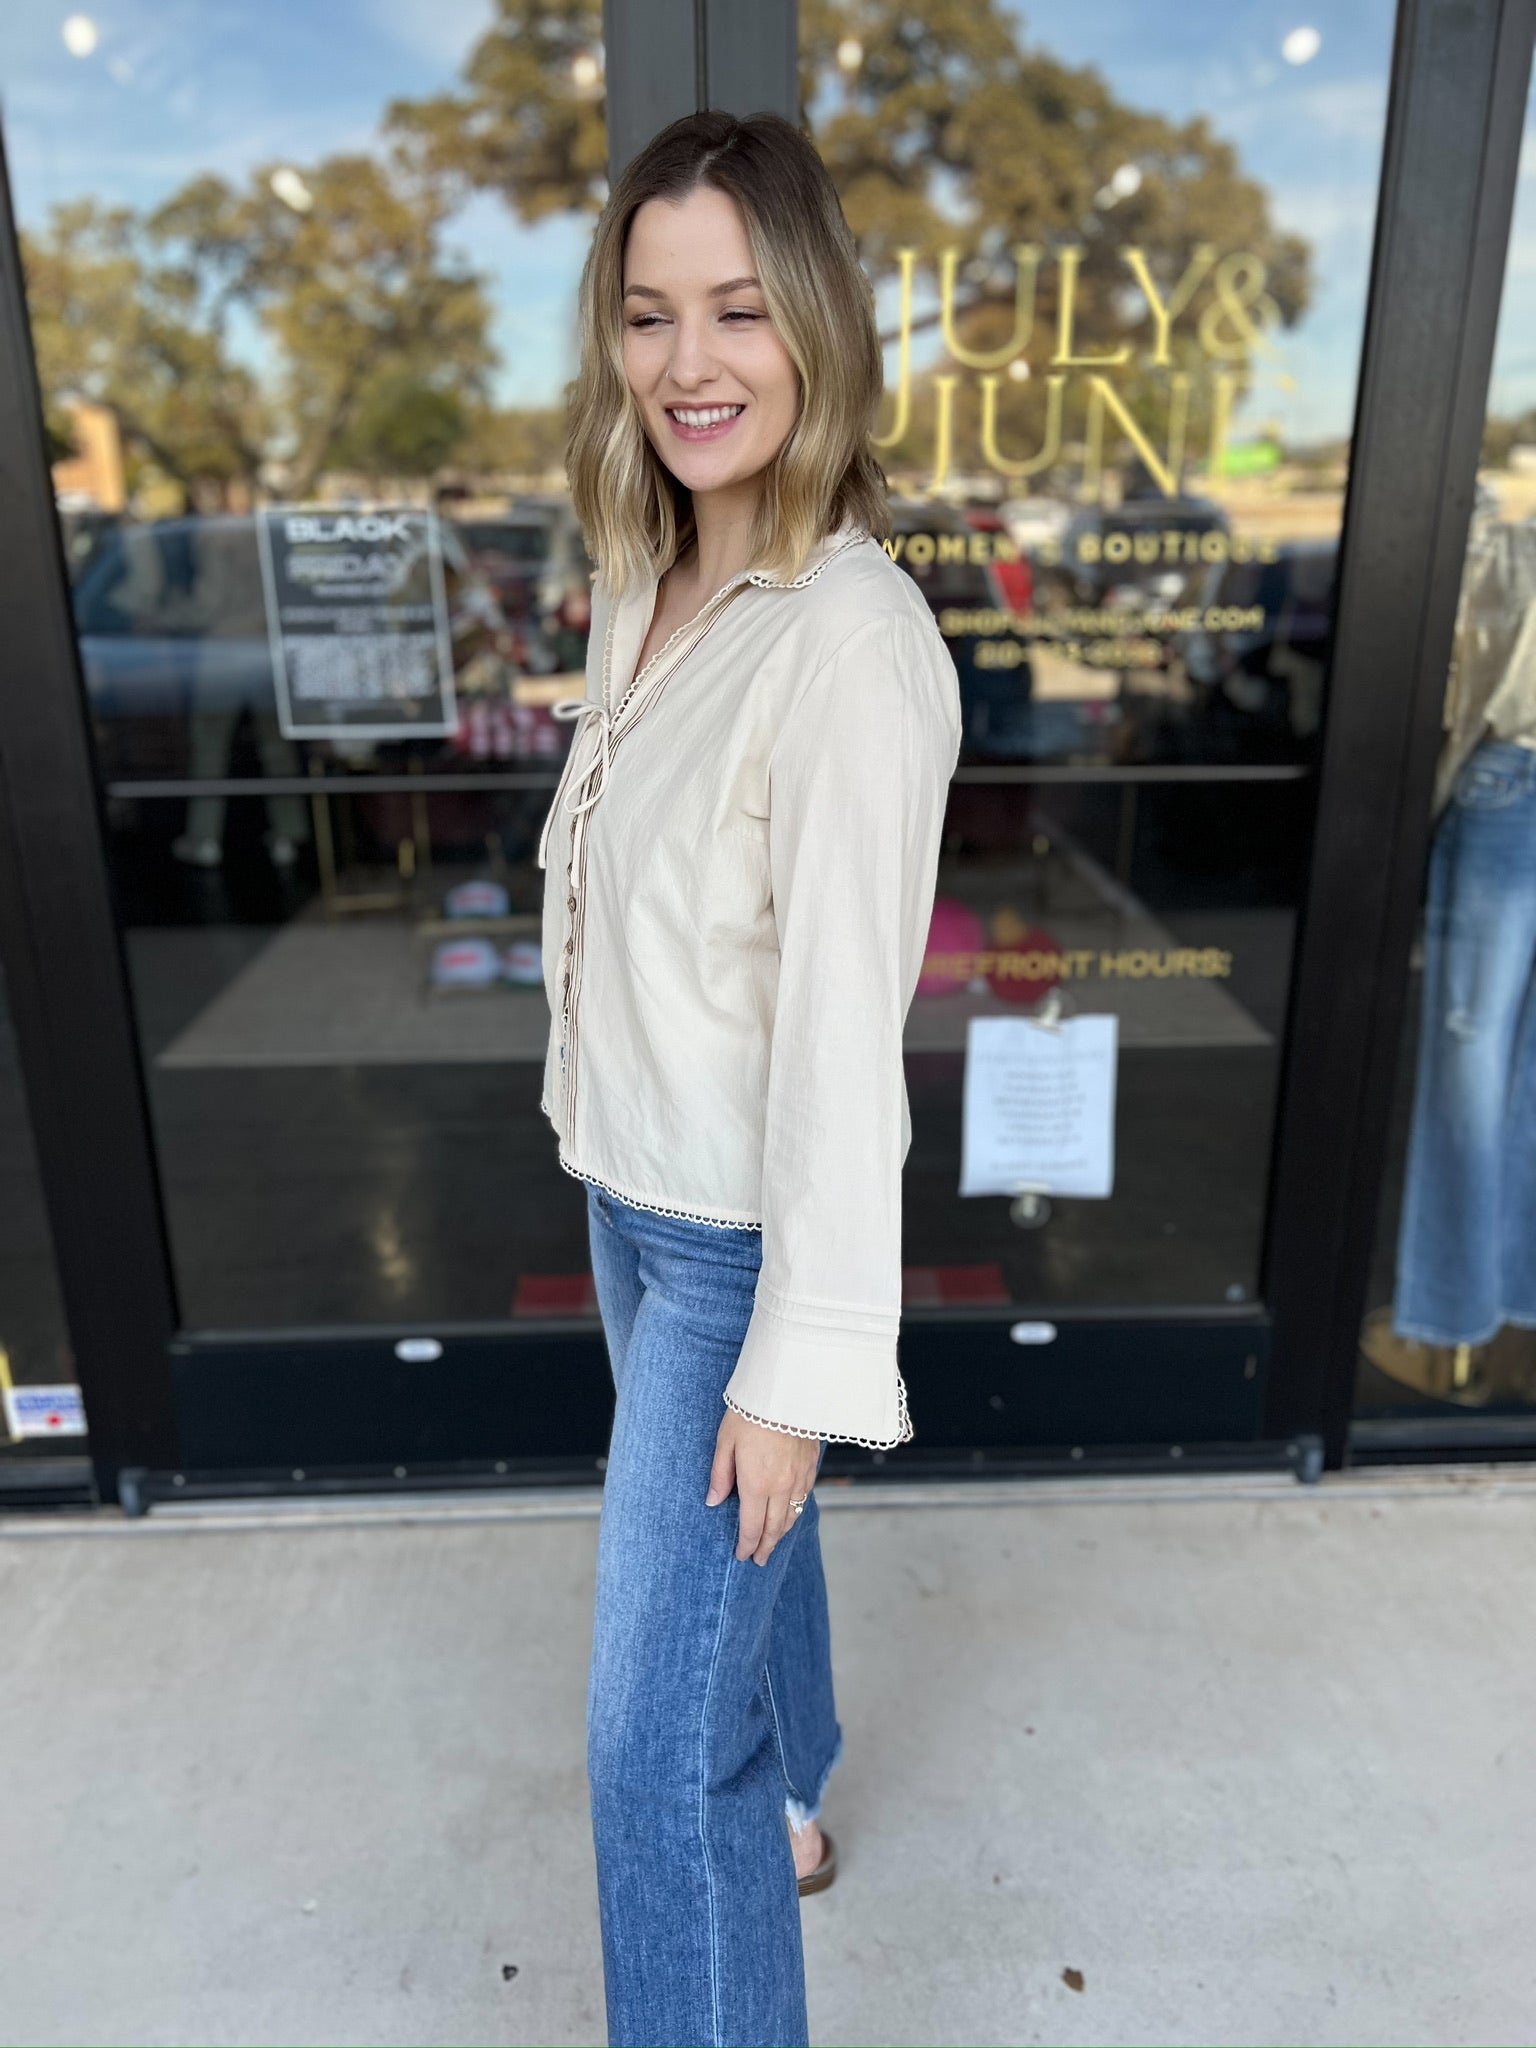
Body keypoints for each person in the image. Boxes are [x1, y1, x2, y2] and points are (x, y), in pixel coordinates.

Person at [536, 108, 962, 2047]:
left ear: (813, 322)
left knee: (647, 1757)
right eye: (647, 315)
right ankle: (803, 1773)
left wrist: (796, 1362)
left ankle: (744, 1818)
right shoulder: (646, 576)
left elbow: (843, 1042)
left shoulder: (852, 645)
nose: (688, 364)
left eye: (733, 309)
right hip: (632, 1198)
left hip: (728, 1256)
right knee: (739, 1599)